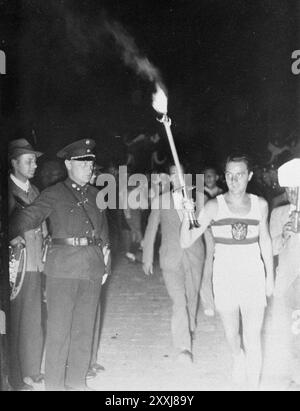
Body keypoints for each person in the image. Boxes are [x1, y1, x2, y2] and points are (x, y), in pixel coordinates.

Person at [10, 139, 109, 391]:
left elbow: (104, 233)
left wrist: (105, 262)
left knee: (84, 328)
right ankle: (54, 385)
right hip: (63, 269)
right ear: (68, 164)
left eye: (91, 163)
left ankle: (76, 380)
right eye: (83, 163)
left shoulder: (98, 196)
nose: (89, 168)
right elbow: (28, 217)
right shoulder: (53, 194)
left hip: (92, 269)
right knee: (59, 330)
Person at [180, 155, 274, 389]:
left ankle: (253, 384)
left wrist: (270, 277)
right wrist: (185, 215)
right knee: (232, 334)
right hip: (225, 277)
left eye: (240, 174)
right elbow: (186, 240)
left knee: (253, 336)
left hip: (253, 276)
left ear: (249, 176)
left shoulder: (260, 204)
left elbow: (265, 240)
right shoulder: (214, 206)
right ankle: (237, 358)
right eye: (230, 175)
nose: (234, 180)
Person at [143, 164, 205, 364]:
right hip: (170, 258)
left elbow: (206, 229)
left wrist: (192, 212)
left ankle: (191, 327)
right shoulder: (161, 201)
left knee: (192, 296)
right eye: (173, 176)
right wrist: (147, 256)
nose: (177, 179)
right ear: (169, 179)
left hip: (195, 256)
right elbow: (151, 229)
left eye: (181, 175)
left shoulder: (200, 198)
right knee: (179, 301)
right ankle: (183, 346)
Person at [8, 138, 46, 391]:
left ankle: (31, 370)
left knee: (33, 318)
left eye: (34, 161)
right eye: (28, 161)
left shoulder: (34, 191)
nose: (33, 165)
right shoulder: (8, 192)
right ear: (14, 163)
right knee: (15, 320)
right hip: (16, 266)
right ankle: (14, 376)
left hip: (36, 262)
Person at [269, 158, 300, 388]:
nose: (293, 194)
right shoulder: (278, 214)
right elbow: (271, 248)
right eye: (289, 189)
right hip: (286, 284)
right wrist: (285, 235)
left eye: (297, 189)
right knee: (285, 332)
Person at [201, 167, 223, 317]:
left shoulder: (223, 194)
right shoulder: (197, 194)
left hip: (221, 233)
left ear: (216, 177)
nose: (208, 179)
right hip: (206, 233)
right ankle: (208, 303)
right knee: (207, 267)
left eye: (211, 176)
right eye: (205, 176)